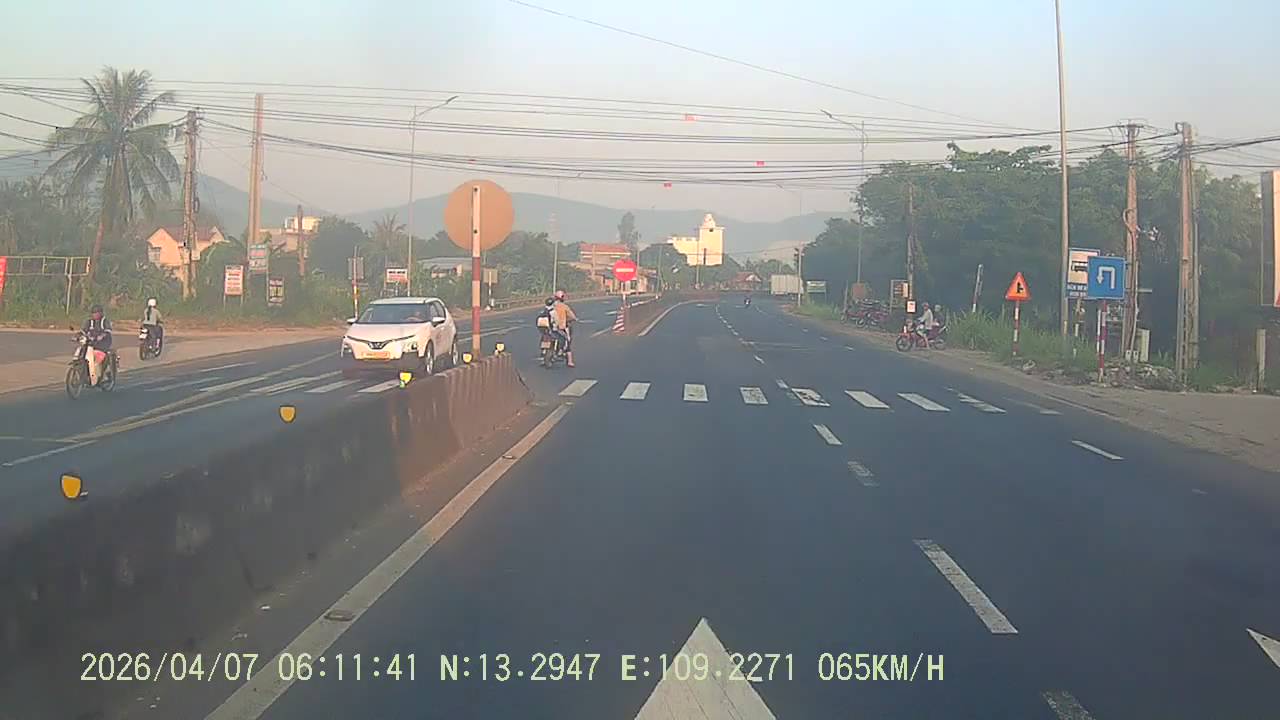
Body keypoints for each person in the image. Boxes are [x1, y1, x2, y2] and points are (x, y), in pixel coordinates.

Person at [82, 303, 113, 385]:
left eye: (97, 313)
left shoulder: (105, 321)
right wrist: (78, 335)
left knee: (97, 359)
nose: (95, 315)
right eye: (93, 313)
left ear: (101, 313)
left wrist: (102, 336)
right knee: (83, 354)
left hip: (103, 343)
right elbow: (83, 331)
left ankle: (102, 376)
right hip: (91, 343)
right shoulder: (89, 322)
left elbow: (108, 330)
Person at [551, 289, 578, 368]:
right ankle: (569, 361)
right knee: (568, 342)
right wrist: (573, 319)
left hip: (552, 327)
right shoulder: (565, 307)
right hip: (562, 327)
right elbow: (572, 316)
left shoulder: (552, 306)